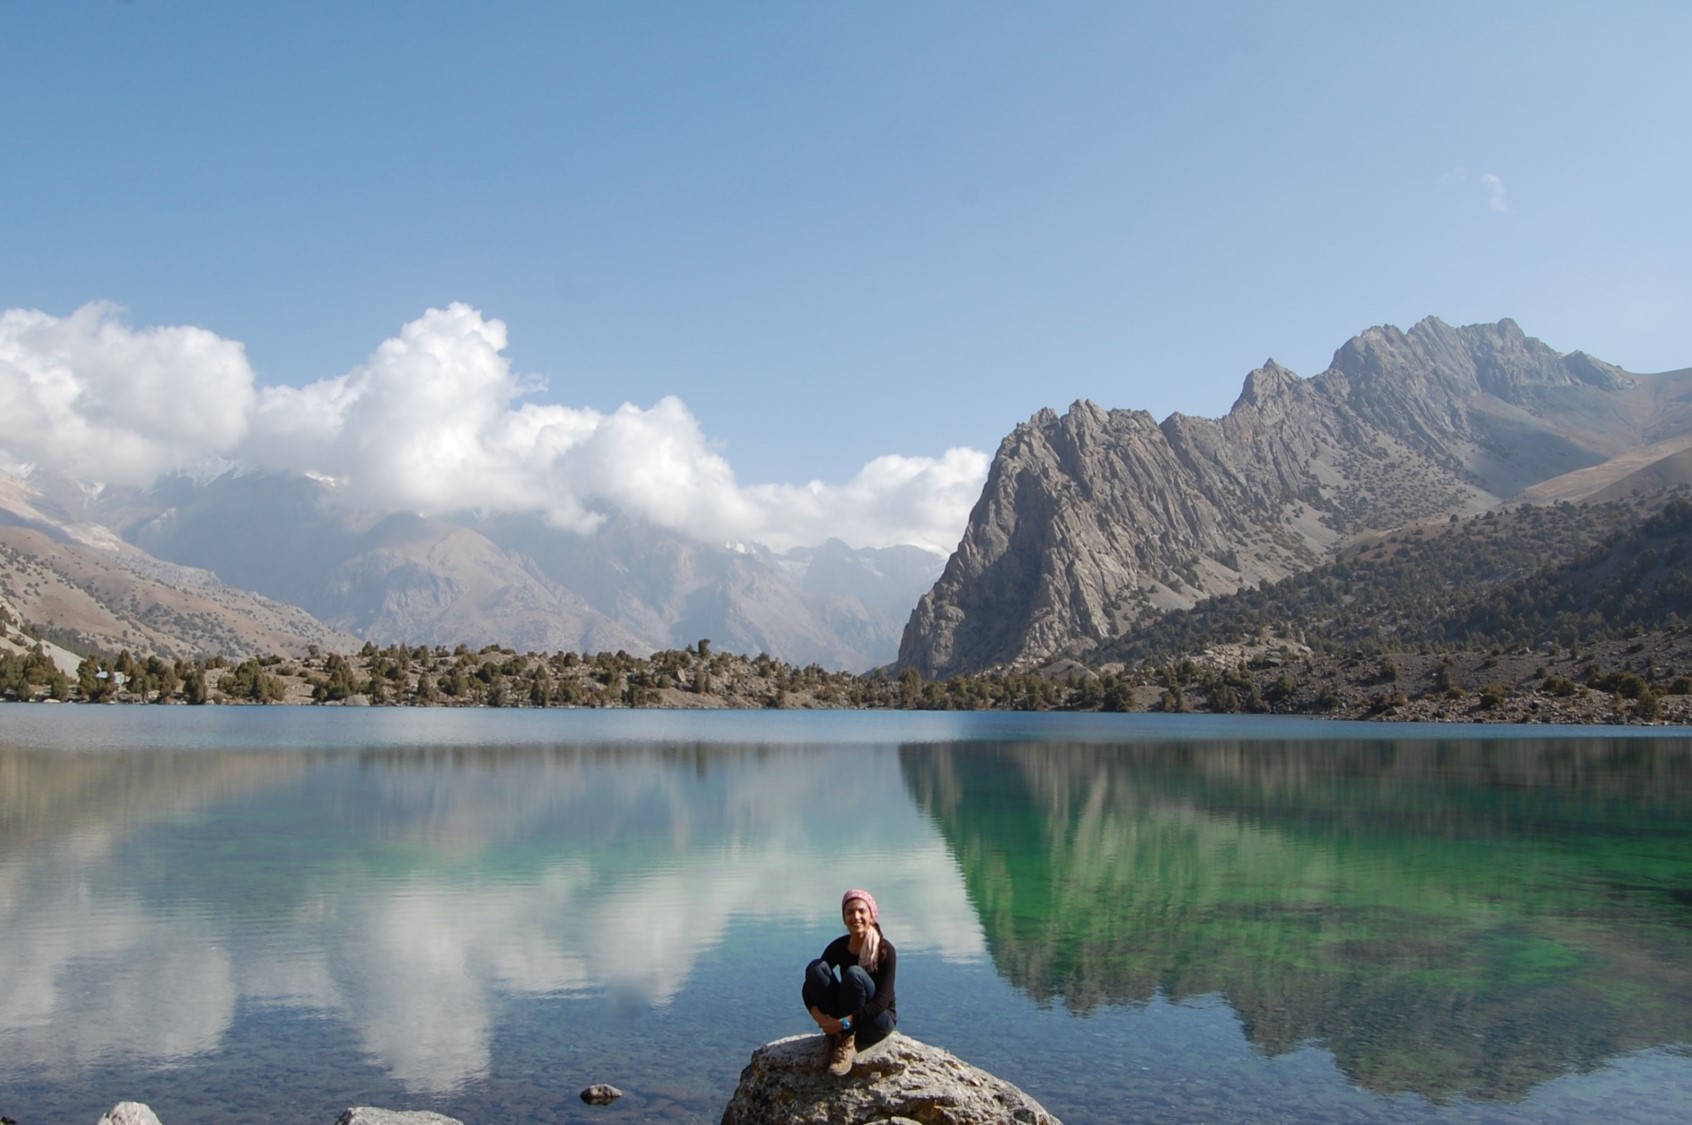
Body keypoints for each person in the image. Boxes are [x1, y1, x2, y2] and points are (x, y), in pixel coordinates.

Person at [802, 888, 897, 1076]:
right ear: (844, 918)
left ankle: (845, 1042)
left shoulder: (885, 951)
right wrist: (822, 1019)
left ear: (872, 917)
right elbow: (809, 986)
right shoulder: (839, 946)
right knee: (815, 968)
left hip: (878, 1020)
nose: (856, 916)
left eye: (862, 911)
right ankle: (838, 1035)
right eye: (850, 912)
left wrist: (844, 1024)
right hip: (846, 1015)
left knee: (855, 974)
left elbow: (880, 1003)